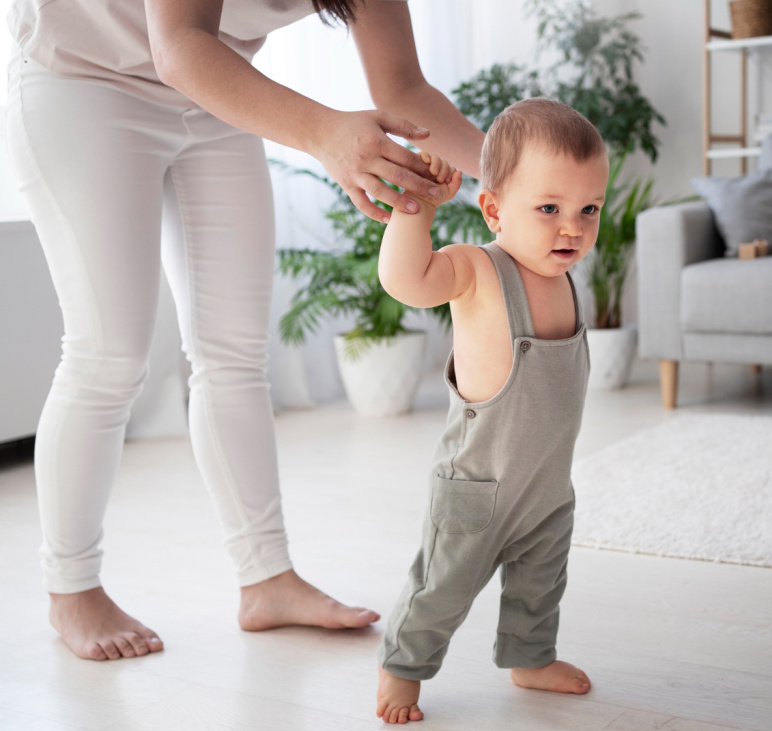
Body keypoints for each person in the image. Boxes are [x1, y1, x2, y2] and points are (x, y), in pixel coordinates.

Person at [5, 0, 485, 661]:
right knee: (108, 354)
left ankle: (267, 579)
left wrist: (516, 172)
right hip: (83, 77)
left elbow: (403, 87)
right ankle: (72, 588)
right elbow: (178, 44)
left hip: (214, 92)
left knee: (234, 353)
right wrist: (327, 135)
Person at [374, 97, 610, 724]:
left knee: (540, 587)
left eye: (589, 209)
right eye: (550, 209)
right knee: (443, 587)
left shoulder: (562, 277)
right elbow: (406, 281)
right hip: (477, 489)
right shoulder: (479, 271)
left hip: (546, 489)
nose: (573, 228)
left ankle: (530, 658)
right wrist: (414, 213)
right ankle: (402, 666)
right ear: (494, 208)